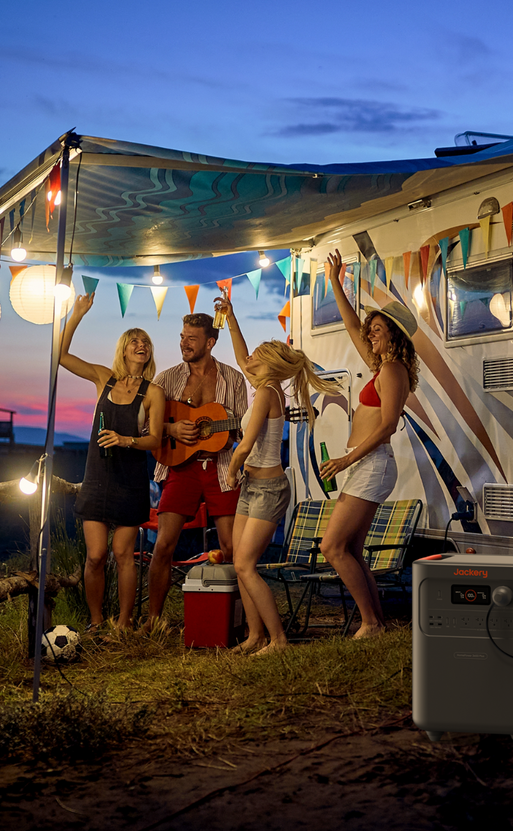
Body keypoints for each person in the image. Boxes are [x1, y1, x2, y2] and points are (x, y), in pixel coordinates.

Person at [218, 295, 338, 654]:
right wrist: (231, 316)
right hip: (254, 486)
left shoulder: (268, 394)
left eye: (255, 354)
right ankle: (255, 636)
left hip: (268, 488)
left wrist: (232, 471)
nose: (247, 359)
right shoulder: (263, 388)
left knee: (245, 563)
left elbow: (245, 444)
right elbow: (240, 357)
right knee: (241, 566)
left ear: (267, 363)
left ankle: (279, 640)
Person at [318, 249, 418, 638]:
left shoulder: (393, 370)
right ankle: (377, 623)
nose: (370, 333)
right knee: (351, 550)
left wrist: (345, 462)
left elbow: (389, 425)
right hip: (365, 462)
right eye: (371, 329)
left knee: (333, 547)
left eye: (378, 329)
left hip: (371, 462)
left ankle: (371, 622)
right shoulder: (381, 367)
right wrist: (334, 282)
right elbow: (351, 325)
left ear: (393, 334)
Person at [59, 292, 166, 633]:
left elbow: (155, 440)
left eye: (145, 341)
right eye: (134, 340)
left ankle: (123, 624)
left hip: (130, 481)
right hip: (97, 478)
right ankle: (95, 622)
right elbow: (60, 356)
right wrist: (76, 314)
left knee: (123, 555)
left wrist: (125, 440)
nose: (141, 344)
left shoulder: (153, 393)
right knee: (95, 556)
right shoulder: (103, 378)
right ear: (123, 349)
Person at [142, 312, 248, 632]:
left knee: (232, 549)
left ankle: (236, 622)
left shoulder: (232, 379)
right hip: (181, 468)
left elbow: (244, 428)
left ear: (210, 342)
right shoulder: (167, 379)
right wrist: (172, 428)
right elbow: (144, 424)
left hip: (223, 470)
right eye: (182, 336)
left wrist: (231, 431)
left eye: (191, 338)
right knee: (163, 545)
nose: (183, 343)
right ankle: (153, 620)